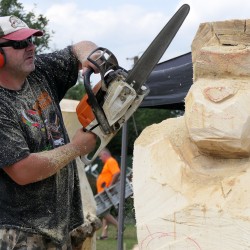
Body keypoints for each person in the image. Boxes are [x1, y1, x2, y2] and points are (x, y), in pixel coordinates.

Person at [0, 15, 102, 249]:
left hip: (60, 226)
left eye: (31, 40)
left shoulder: (39, 72)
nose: (30, 48)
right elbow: (22, 170)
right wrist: (76, 148)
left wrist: (90, 56)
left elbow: (78, 48)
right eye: (19, 44)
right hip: (21, 234)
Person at [96, 148, 120, 240]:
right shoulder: (108, 163)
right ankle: (104, 234)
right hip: (104, 192)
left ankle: (119, 227)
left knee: (103, 212)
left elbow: (117, 172)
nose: (100, 159)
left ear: (105, 154)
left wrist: (110, 186)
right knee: (105, 212)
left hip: (107, 192)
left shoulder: (110, 161)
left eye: (100, 157)